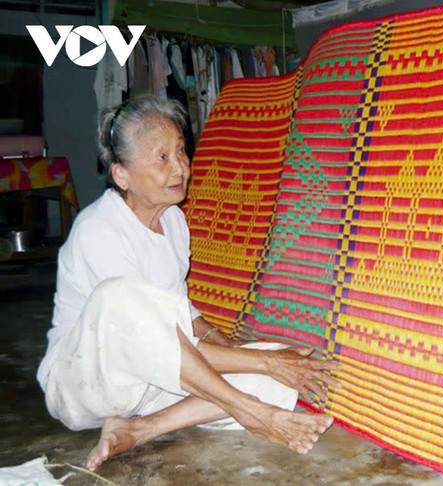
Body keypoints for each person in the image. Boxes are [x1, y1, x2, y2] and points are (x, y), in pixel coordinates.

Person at [36, 96, 339, 472]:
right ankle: (252, 412)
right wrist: (262, 362)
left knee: (280, 374)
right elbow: (155, 337)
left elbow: (180, 312)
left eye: (181, 151)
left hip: (147, 384)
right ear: (122, 175)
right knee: (120, 297)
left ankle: (141, 429)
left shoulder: (175, 221)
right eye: (162, 158)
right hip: (85, 384)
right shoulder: (99, 231)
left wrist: (231, 345)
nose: (179, 167)